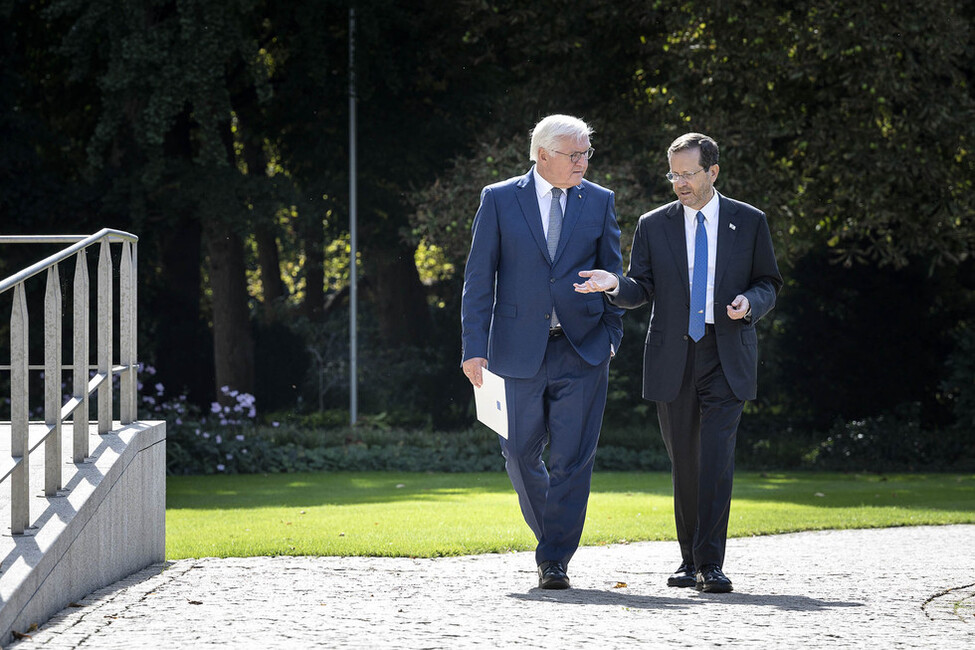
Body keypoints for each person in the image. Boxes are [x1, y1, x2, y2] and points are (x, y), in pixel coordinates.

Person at [574, 133, 782, 593]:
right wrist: (614, 284)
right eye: (674, 174)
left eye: (688, 174)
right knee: (684, 461)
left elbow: (769, 281)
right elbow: (640, 288)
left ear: (713, 172)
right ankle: (689, 561)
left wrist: (751, 301)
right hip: (673, 355)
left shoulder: (748, 222)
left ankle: (711, 564)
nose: (680, 183)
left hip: (726, 353)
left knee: (715, 459)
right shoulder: (653, 224)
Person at [461, 114, 624, 590]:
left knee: (573, 459)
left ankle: (554, 559)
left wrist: (612, 336)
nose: (583, 162)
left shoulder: (599, 200)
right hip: (513, 351)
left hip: (584, 349)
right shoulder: (498, 198)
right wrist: (473, 347)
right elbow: (478, 279)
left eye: (586, 154)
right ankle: (554, 533)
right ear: (543, 156)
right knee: (518, 453)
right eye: (574, 155)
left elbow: (613, 273)